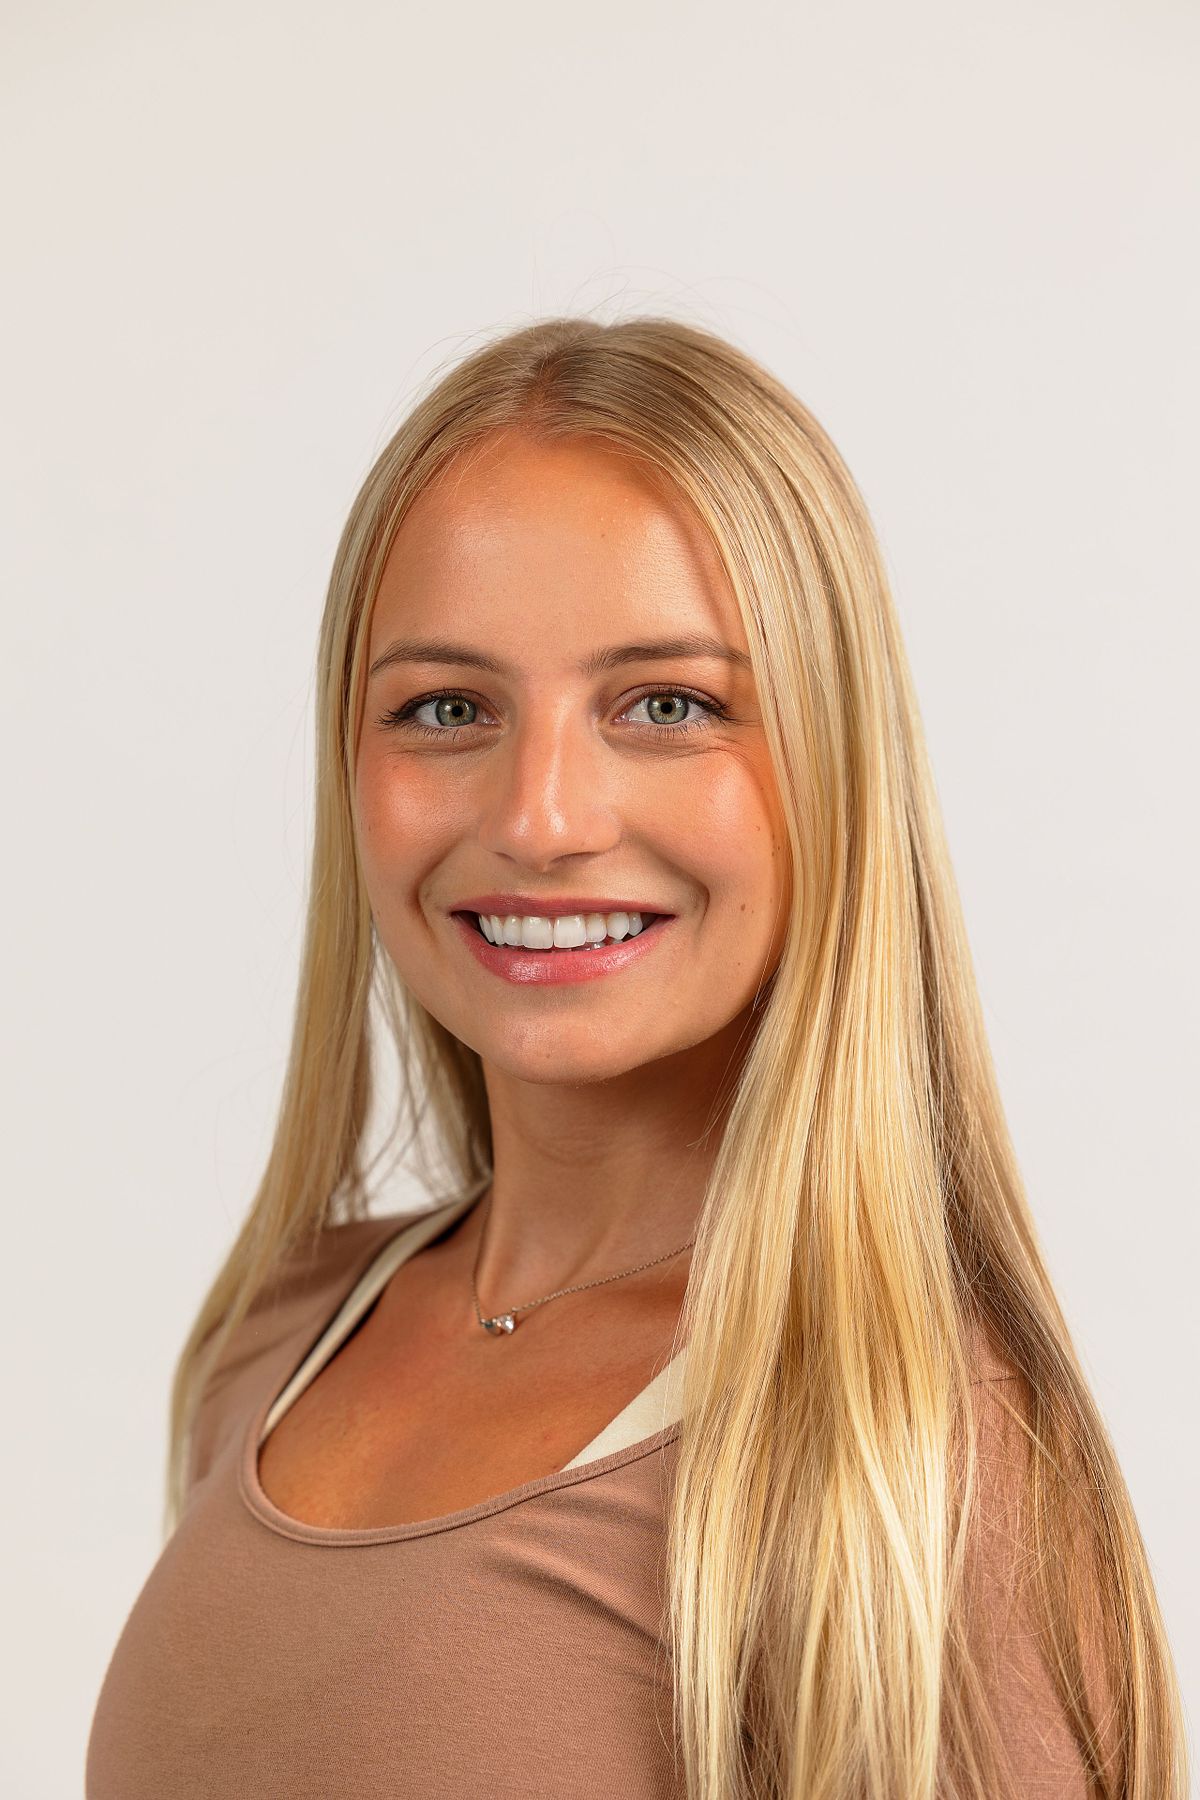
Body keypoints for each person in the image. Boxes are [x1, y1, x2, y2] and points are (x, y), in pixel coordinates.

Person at [85, 316, 1187, 1800]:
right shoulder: (280, 1338)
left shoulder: (910, 1474)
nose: (541, 816)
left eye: (667, 705)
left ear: (835, 763)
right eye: (446, 708)